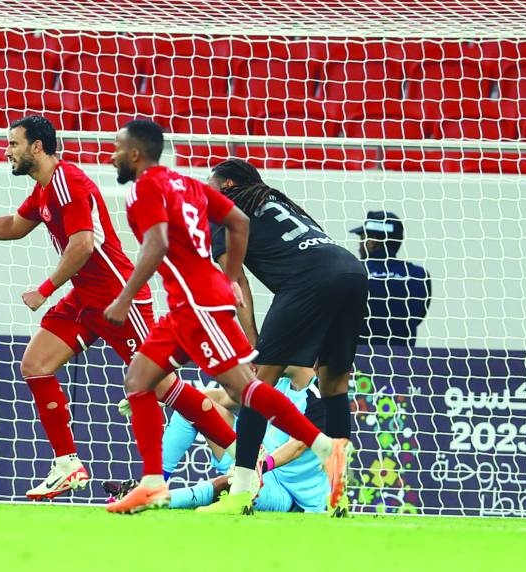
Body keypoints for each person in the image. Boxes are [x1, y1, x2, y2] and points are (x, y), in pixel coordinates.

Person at [0, 115, 236, 501]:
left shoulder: (70, 183)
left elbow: (82, 244)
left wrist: (44, 290)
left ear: (37, 147)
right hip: (84, 298)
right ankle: (67, 465)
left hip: (118, 299)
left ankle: (243, 454)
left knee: (161, 386)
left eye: (13, 144)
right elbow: (14, 224)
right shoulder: (44, 189)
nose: (7, 151)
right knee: (35, 365)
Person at [101, 120, 349, 515]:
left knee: (244, 389)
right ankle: (151, 481)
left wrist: (124, 297)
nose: (110, 155)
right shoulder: (187, 184)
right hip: (190, 302)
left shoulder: (146, 188)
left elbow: (157, 243)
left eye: (116, 147)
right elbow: (240, 221)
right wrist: (231, 277)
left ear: (135, 154)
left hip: (198, 303)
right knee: (139, 379)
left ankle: (323, 446)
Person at [200, 158, 368, 517]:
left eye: (210, 183)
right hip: (351, 270)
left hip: (309, 279)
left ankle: (242, 492)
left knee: (258, 384)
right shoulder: (276, 200)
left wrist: (250, 342)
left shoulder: (224, 210)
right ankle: (339, 495)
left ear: (227, 185)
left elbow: (235, 281)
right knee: (334, 384)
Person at [137, 367, 329, 513]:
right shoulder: (276, 383)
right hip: (262, 462)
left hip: (292, 497)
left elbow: (297, 446)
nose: (273, 353)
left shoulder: (319, 396)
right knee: (192, 408)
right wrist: (173, 397)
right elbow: (222, 397)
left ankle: (153, 500)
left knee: (234, 483)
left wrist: (258, 467)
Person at [349, 211, 432, 346]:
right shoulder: (419, 275)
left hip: (358, 361)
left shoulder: (352, 272)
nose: (359, 245)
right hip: (403, 361)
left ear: (373, 240)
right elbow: (418, 317)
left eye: (362, 237)